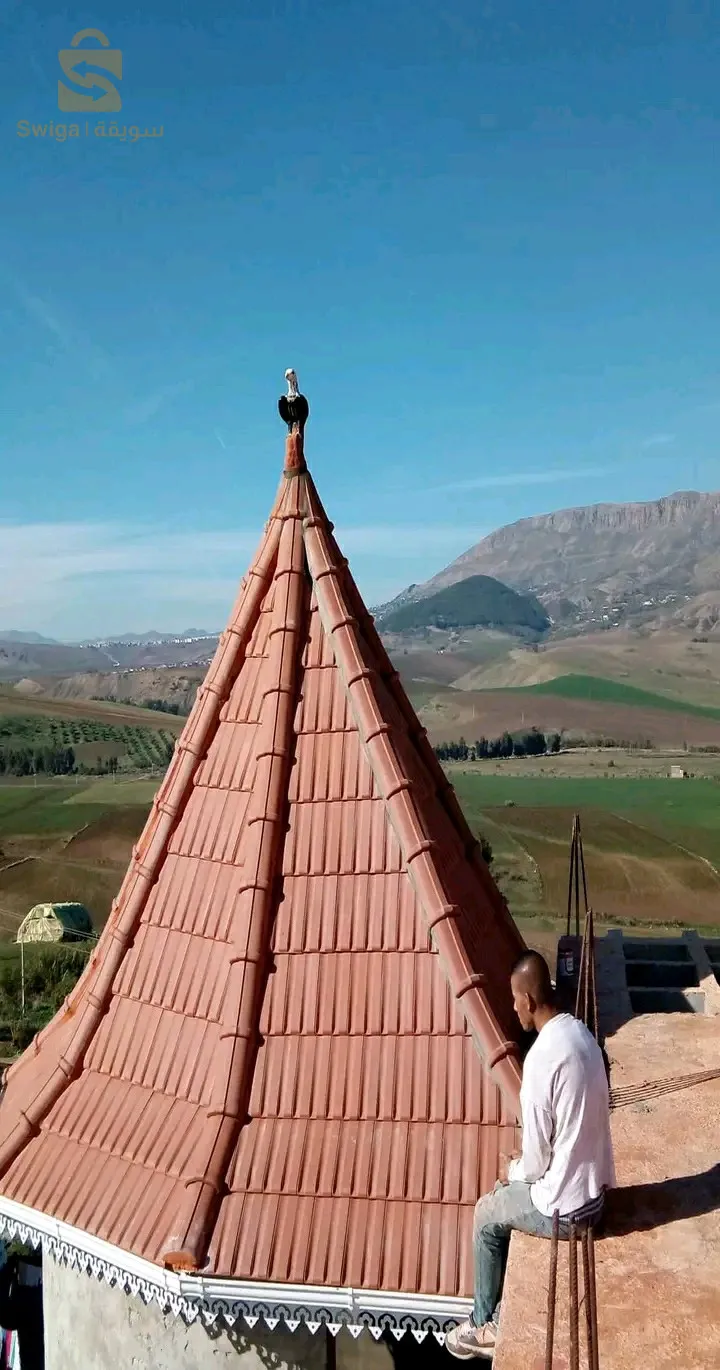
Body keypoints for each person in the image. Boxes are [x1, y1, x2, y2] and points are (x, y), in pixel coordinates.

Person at [446, 950, 615, 1361]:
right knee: (509, 1192)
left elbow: (536, 1163)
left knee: (487, 1213)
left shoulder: (540, 1060)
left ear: (528, 999)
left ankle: (485, 1323)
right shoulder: (580, 1033)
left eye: (514, 999)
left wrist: (513, 1170)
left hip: (569, 1212)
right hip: (597, 1194)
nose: (513, 1008)